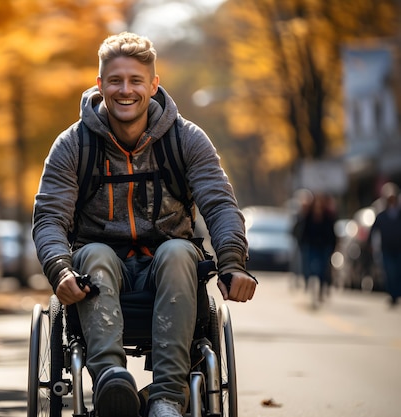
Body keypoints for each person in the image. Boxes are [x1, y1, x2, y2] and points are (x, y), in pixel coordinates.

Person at [32, 32, 257, 417]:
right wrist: (59, 268)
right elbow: (50, 216)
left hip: (169, 269)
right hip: (100, 269)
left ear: (153, 85)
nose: (125, 90)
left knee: (177, 251)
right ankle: (111, 384)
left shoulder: (186, 139)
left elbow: (219, 204)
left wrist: (232, 261)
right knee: (95, 254)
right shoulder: (74, 144)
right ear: (100, 85)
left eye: (136, 80)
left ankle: (167, 399)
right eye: (115, 80)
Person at [297, 192, 337, 303]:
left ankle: (321, 289)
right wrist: (302, 244)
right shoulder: (308, 216)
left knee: (323, 269)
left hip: (324, 247)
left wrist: (332, 247)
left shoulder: (328, 218)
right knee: (311, 267)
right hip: (311, 246)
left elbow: (332, 234)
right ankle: (310, 286)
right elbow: (303, 232)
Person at [369, 182, 401, 306]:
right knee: (389, 272)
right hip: (387, 249)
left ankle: (397, 293)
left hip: (398, 248)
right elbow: (373, 231)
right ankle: (392, 295)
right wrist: (370, 245)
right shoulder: (382, 216)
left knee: (398, 272)